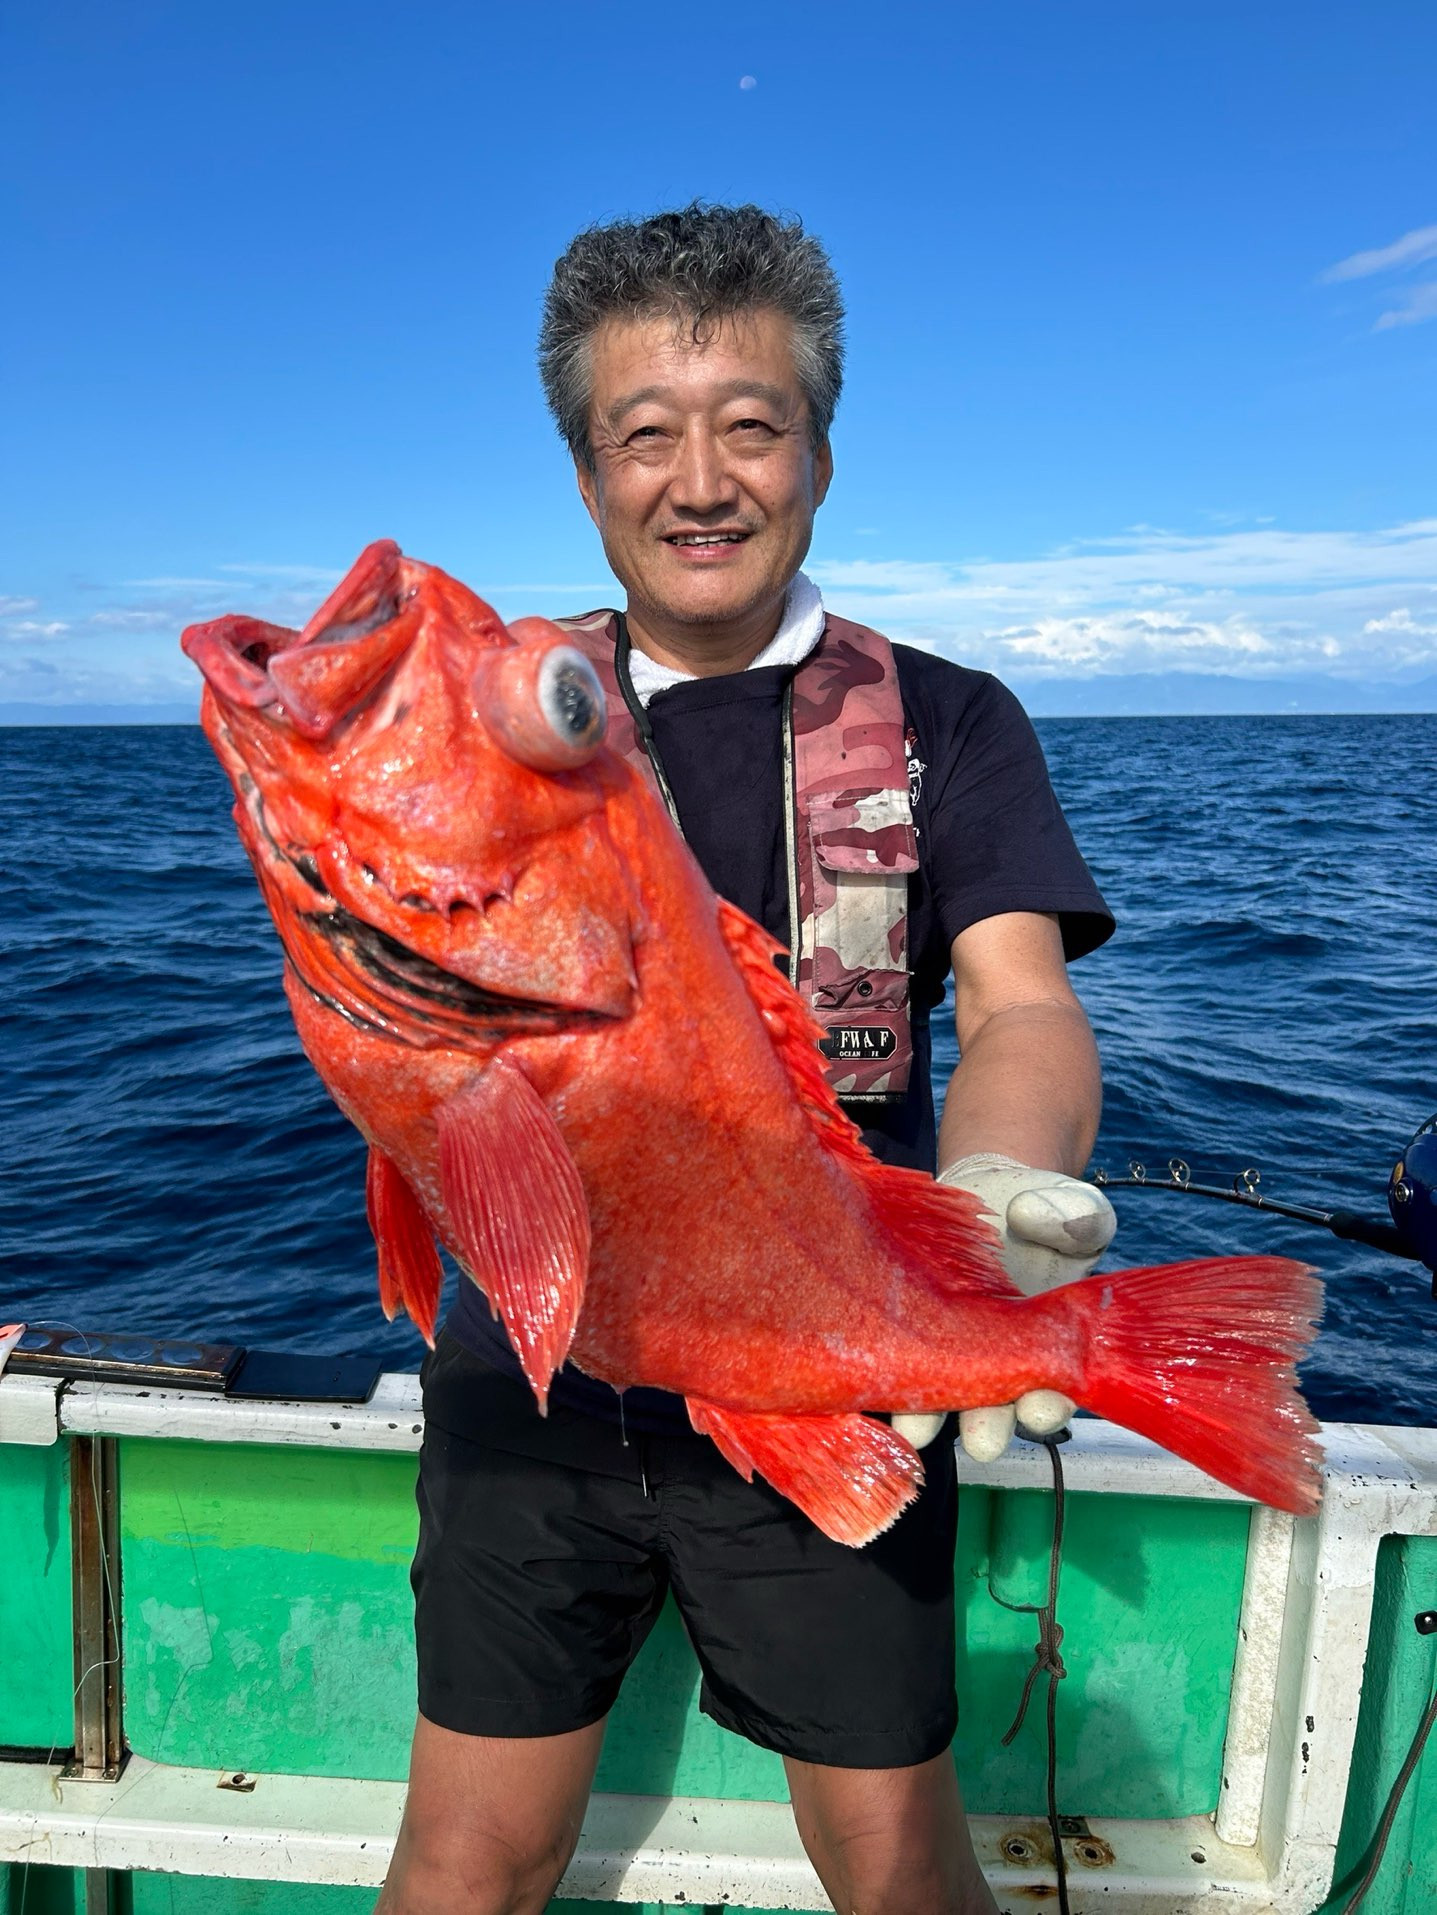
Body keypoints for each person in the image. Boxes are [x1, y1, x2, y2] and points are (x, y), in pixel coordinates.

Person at [376, 203, 1116, 1915]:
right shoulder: (501, 730)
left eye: (751, 425)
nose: (699, 479)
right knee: (464, 1857)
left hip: (817, 1356)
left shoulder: (947, 721)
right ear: (585, 477)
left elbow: (1014, 1003)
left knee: (891, 1859)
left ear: (821, 459)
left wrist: (999, 1187)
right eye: (644, 434)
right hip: (533, 1378)